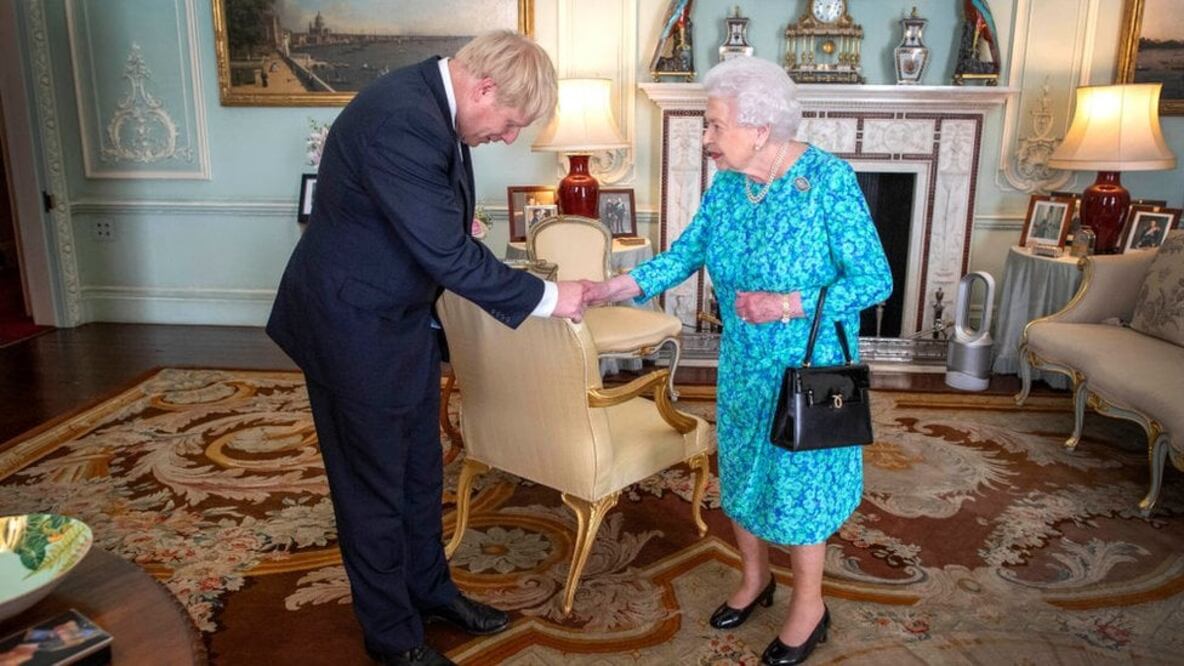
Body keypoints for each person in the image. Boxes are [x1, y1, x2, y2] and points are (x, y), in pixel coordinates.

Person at [267, 30, 585, 666]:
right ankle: (393, 638)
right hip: (351, 327)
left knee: (418, 472)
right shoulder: (403, 120)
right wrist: (552, 297)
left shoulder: (431, 106)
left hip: (399, 319)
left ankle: (430, 591)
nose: (508, 137)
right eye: (510, 121)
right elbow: (445, 251)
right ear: (484, 87)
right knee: (373, 488)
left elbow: (436, 228)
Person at [583, 56, 892, 666]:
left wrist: (787, 303)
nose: (706, 139)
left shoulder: (827, 181)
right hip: (744, 364)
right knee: (744, 472)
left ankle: (810, 606)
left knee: (801, 490)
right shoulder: (729, 186)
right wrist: (615, 286)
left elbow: (875, 279)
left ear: (758, 127)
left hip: (810, 366)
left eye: (714, 125)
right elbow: (685, 253)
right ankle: (755, 579)